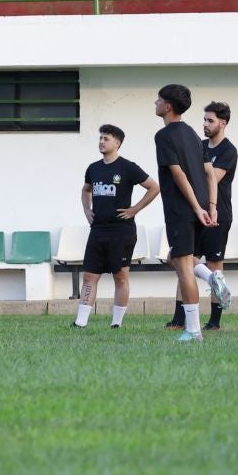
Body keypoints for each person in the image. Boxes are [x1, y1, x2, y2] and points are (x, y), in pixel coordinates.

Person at [74, 124, 157, 329]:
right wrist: (87, 209)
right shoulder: (93, 168)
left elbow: (154, 187)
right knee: (89, 276)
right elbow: (85, 190)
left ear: (117, 143)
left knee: (120, 276)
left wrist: (134, 209)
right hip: (98, 231)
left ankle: (116, 323)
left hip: (122, 231)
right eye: (100, 138)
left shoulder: (128, 167)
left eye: (106, 139)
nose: (102, 142)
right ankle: (81, 321)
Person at [152, 84, 214, 344]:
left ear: (168, 106)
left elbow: (178, 174)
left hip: (182, 210)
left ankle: (193, 330)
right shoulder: (192, 134)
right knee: (178, 261)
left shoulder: (163, 136)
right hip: (199, 208)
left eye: (158, 100)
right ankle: (212, 276)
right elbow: (209, 172)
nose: (155, 103)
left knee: (184, 268)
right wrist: (210, 206)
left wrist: (195, 207)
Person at [197, 101, 238, 330]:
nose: (205, 124)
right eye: (204, 119)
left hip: (218, 215)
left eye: (210, 120)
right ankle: (178, 318)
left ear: (222, 123)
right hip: (196, 213)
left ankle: (214, 322)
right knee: (182, 261)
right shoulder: (199, 146)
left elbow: (212, 179)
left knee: (214, 265)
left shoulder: (228, 151)